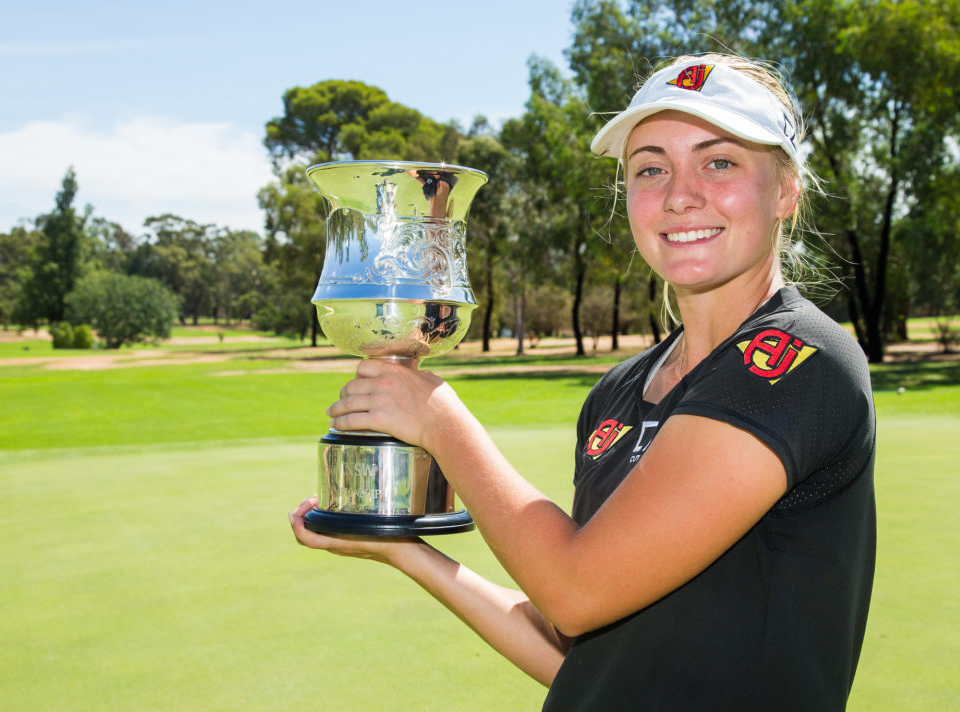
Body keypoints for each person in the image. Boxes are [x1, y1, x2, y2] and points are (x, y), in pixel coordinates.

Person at [290, 52, 876, 711]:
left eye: (720, 161)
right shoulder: (620, 391)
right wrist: (405, 550)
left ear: (786, 189)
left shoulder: (799, 359)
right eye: (650, 168)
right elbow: (575, 645)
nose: (680, 193)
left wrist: (439, 422)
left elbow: (576, 588)